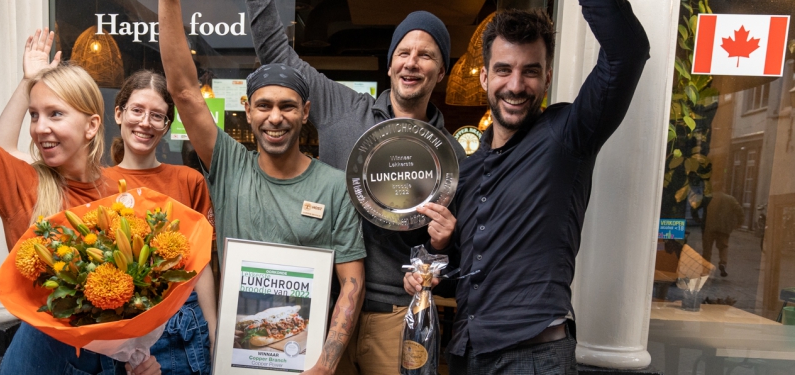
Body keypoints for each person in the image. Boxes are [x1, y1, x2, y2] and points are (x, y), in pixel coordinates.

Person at [0, 1, 159, 374]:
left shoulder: (121, 194)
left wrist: (137, 361)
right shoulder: (23, 183)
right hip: (40, 361)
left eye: (55, 114)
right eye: (33, 115)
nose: (39, 128)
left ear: (92, 125)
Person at [403, 1, 650, 373]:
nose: (516, 85)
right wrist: (438, 257)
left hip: (534, 359)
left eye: (530, 71)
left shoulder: (567, 136)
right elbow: (466, 277)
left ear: (547, 77)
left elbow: (627, 52)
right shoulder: (467, 171)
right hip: (468, 356)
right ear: (484, 77)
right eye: (504, 70)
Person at [245, 1, 466, 373]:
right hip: (324, 309)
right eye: (403, 53)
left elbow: (458, 262)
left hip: (397, 315)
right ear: (390, 63)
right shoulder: (344, 109)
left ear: (441, 70)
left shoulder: (453, 155)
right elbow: (276, 51)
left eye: (426, 55)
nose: (412, 62)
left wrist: (442, 243)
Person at [157, 1, 367, 374]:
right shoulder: (229, 166)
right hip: (237, 360)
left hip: (306, 360)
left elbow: (352, 283)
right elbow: (184, 89)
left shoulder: (334, 186)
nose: (275, 117)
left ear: (305, 112)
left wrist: (326, 362)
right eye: (264, 106)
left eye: (287, 107)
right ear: (248, 110)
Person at [0, 44, 219, 373]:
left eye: (158, 116)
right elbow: (3, 159)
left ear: (167, 126)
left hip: (183, 325)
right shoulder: (98, 186)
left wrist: (213, 326)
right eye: (137, 110)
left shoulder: (188, 179)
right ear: (117, 114)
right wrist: (30, 80)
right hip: (118, 330)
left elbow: (201, 266)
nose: (145, 122)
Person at [702, 191, 744, 277]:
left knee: (707, 249)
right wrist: (740, 222)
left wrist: (696, 218)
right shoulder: (731, 199)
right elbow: (739, 210)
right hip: (724, 227)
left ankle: (705, 269)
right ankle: (723, 263)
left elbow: (695, 207)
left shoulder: (707, 197)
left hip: (709, 227)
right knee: (723, 247)